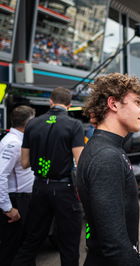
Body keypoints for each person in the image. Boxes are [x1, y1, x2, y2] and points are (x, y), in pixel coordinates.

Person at [76, 73, 140, 266]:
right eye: (138, 102)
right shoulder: (106, 156)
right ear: (114, 104)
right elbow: (113, 243)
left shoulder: (105, 148)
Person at [12, 87, 84, 266]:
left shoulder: (32, 124)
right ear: (69, 105)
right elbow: (80, 162)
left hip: (39, 187)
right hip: (64, 189)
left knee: (32, 239)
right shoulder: (74, 125)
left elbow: (25, 163)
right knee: (69, 244)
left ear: (50, 102)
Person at [0, 105, 35, 266]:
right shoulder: (13, 143)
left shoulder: (19, 140)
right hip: (16, 202)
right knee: (13, 250)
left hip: (23, 201)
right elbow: (1, 175)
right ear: (27, 123)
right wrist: (7, 208)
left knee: (24, 248)